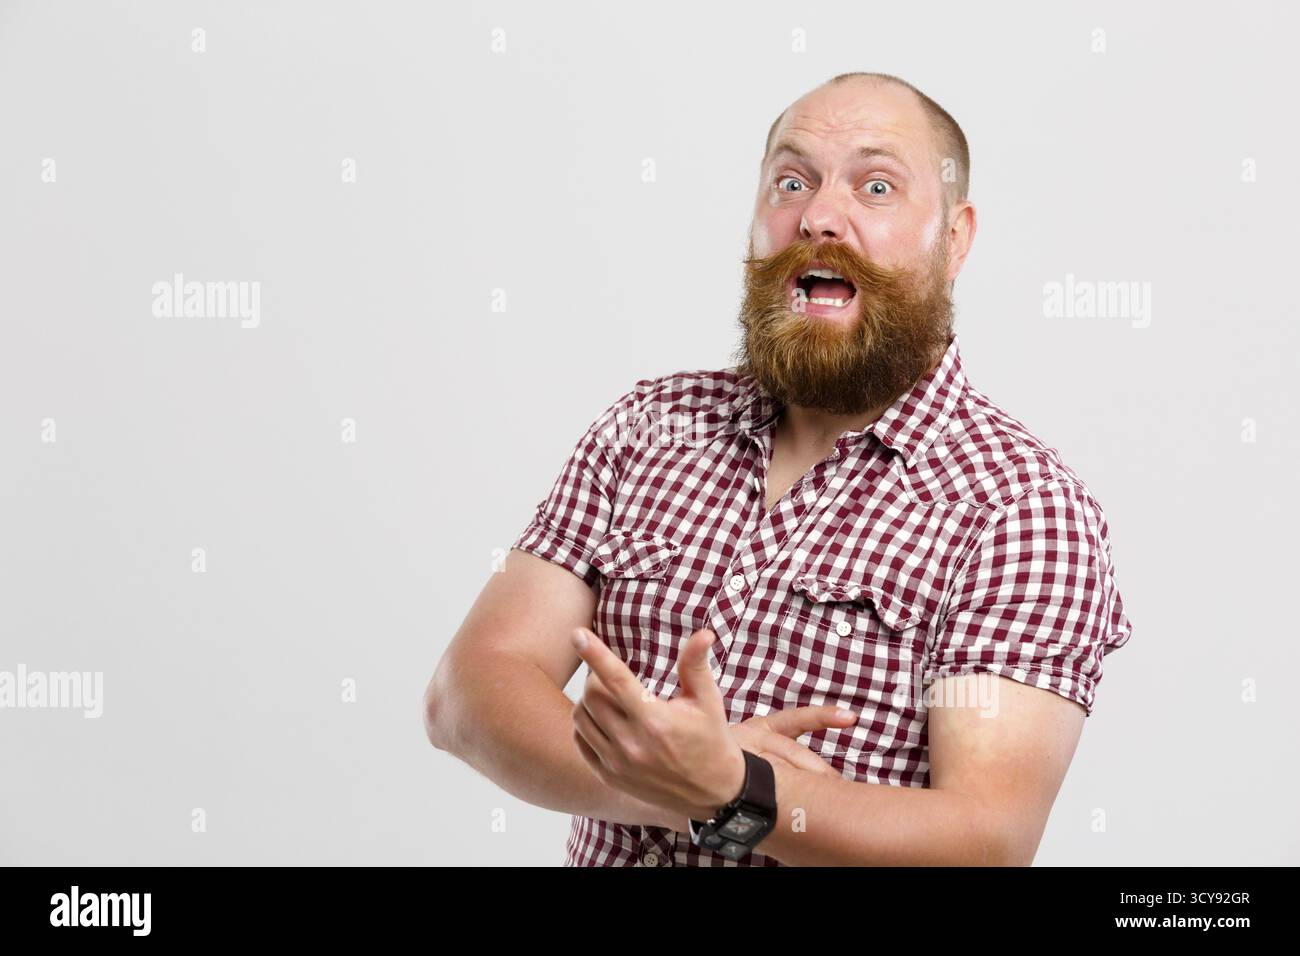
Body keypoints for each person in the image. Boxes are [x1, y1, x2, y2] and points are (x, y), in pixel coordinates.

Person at [424, 72, 1133, 866]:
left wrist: (736, 789)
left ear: (955, 238)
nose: (819, 216)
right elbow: (469, 693)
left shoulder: (1021, 511)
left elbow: (985, 840)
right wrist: (686, 791)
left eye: (876, 186)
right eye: (790, 182)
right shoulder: (648, 428)